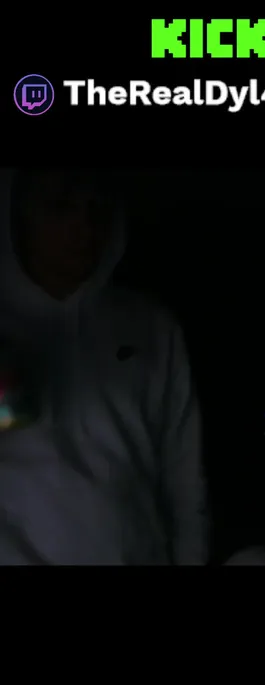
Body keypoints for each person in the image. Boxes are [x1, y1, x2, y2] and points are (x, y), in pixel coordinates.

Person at [0, 168, 208, 565]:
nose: (83, 226)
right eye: (60, 206)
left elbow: (184, 479)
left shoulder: (150, 328)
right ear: (15, 212)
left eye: (97, 207)